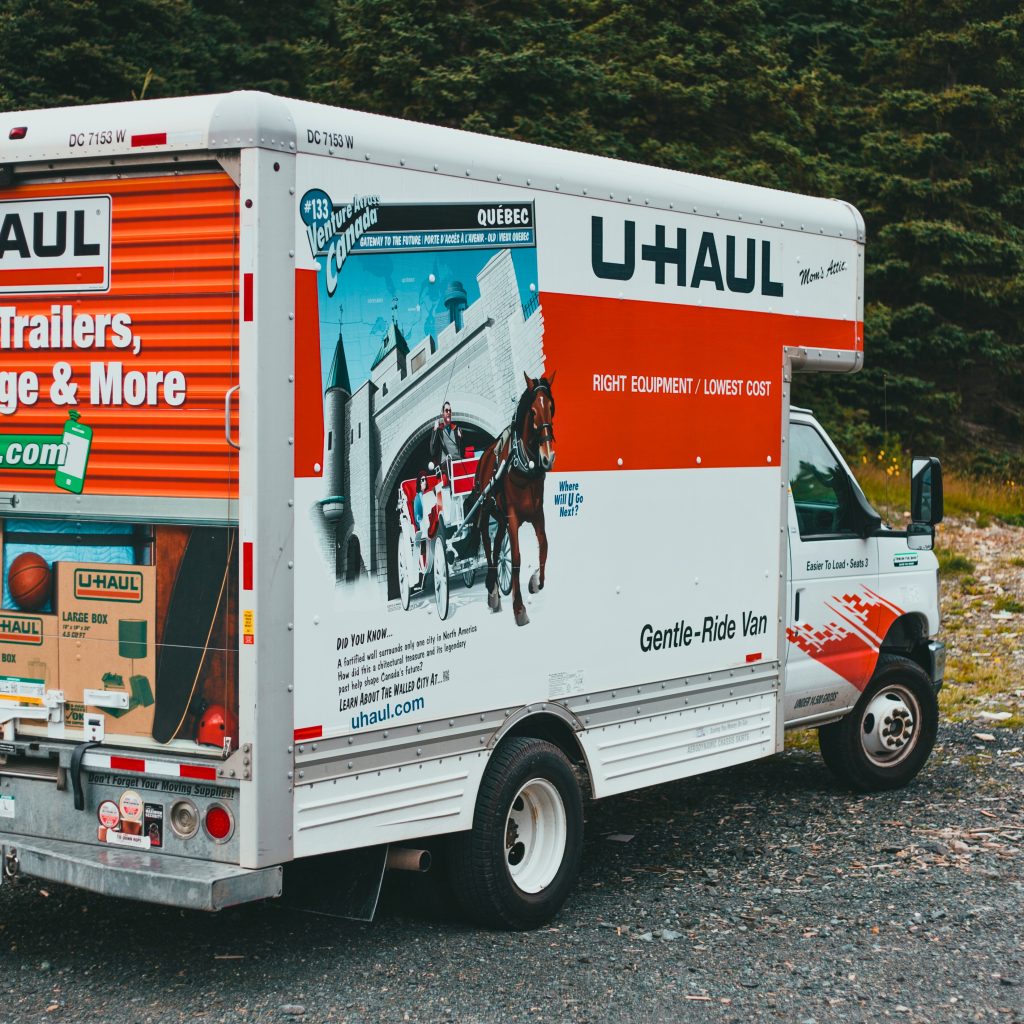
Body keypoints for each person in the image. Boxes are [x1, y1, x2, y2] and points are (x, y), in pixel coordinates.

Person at [430, 402, 463, 517]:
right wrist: (434, 431)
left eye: (450, 410)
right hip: (446, 464)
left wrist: (460, 438)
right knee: (449, 468)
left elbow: (461, 449)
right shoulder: (438, 430)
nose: (448, 412)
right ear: (442, 413)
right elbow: (432, 451)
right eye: (446, 410)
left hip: (458, 462)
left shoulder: (456, 428)